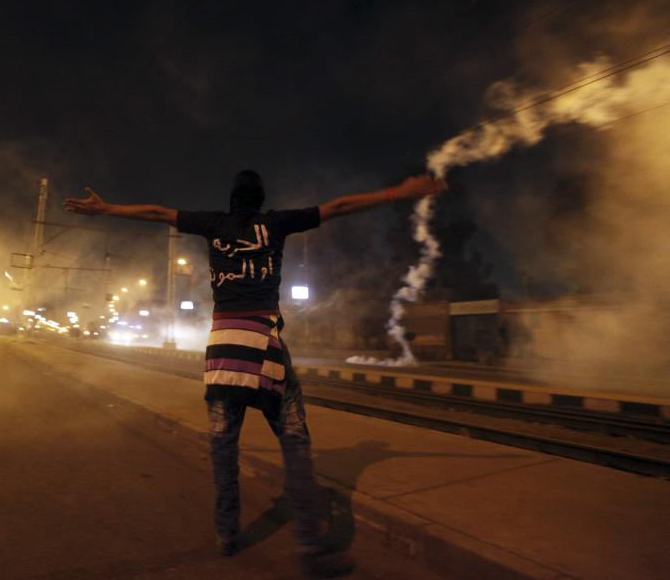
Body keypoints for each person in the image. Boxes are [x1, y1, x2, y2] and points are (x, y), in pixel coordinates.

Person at [65, 170, 445, 578]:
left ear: (232, 200)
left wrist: (105, 209)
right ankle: (311, 548)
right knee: (295, 444)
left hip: (222, 352)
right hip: (266, 349)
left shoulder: (213, 224)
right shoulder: (276, 223)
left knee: (223, 448)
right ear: (261, 200)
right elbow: (340, 207)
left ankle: (227, 534)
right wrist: (397, 192)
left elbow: (157, 212)